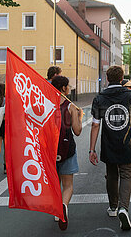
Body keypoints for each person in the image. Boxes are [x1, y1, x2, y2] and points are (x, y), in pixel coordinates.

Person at [89, 66, 131, 231]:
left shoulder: (100, 98)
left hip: (109, 143)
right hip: (128, 142)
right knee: (127, 174)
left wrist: (92, 149)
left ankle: (113, 208)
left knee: (112, 174)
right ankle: (124, 208)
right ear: (122, 78)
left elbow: (95, 125)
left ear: (107, 79)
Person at [51, 75, 83, 231]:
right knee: (68, 185)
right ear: (63, 88)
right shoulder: (70, 106)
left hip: (50, 151)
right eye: (68, 86)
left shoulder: (45, 104)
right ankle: (63, 205)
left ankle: (57, 211)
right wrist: (80, 117)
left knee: (54, 183)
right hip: (67, 149)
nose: (69, 89)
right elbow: (77, 131)